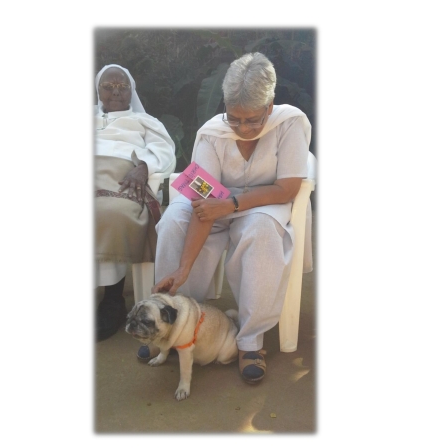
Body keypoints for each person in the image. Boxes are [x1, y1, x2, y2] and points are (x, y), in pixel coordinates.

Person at [149, 53, 313, 383]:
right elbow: (204, 203)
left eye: (253, 120)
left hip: (266, 201)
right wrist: (183, 268)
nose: (243, 128)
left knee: (262, 230)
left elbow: (287, 187)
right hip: (217, 203)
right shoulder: (212, 133)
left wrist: (232, 205)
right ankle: (177, 325)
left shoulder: (289, 123)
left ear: (270, 106)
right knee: (173, 222)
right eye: (234, 118)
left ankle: (250, 341)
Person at [94, 64, 176, 341]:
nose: (116, 92)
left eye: (123, 87)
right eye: (108, 86)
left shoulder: (145, 121)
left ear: (132, 91)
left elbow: (165, 153)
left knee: (112, 212)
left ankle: (112, 299)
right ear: (98, 90)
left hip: (123, 179)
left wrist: (143, 167)